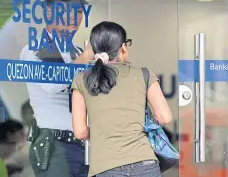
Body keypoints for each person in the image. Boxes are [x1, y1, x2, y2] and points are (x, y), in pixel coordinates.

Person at [71, 21, 173, 177]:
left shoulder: (81, 79)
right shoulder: (144, 74)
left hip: (105, 166)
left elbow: (80, 132)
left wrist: (103, 132)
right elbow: (164, 117)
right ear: (123, 47)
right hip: (145, 163)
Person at [20, 0, 94, 177]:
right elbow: (53, 83)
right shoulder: (36, 47)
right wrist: (86, 58)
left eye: (79, 11)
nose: (74, 16)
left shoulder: (77, 51)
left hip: (84, 144)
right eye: (66, 10)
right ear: (48, 12)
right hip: (55, 145)